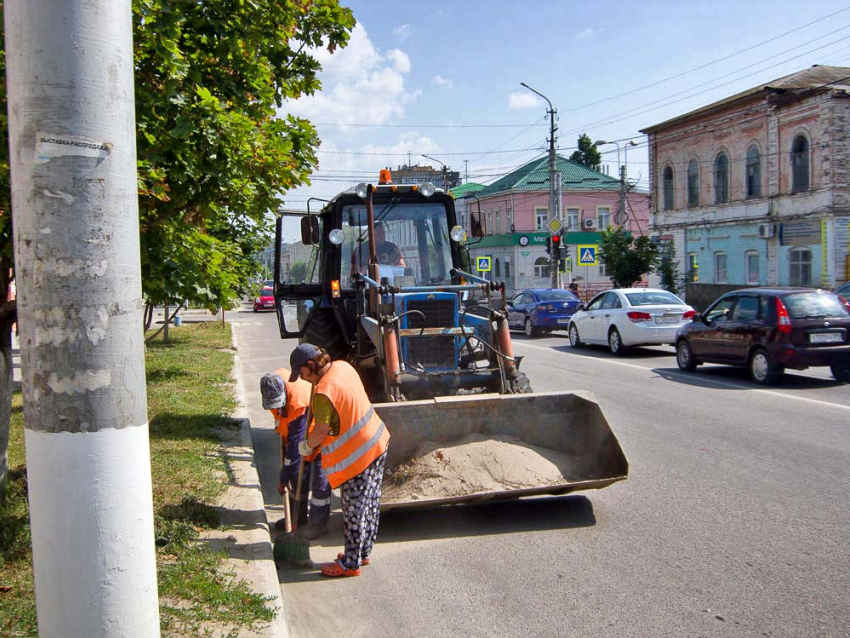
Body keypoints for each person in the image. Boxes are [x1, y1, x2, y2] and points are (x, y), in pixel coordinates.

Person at [289, 343, 390, 577]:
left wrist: (307, 446)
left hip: (359, 456)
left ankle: (350, 565)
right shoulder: (343, 367)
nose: (303, 379)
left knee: (354, 511)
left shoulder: (323, 392)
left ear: (311, 366)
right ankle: (362, 553)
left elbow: (321, 430)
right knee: (370, 505)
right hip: (377, 440)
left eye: (302, 373)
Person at [259, 370, 331, 540]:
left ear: (285, 392)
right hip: (300, 439)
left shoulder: (298, 401)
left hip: (321, 438)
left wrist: (282, 478)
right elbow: (284, 423)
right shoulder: (272, 383)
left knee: (320, 484)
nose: (275, 408)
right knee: (297, 480)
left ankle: (319, 525)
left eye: (278, 404)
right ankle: (296, 518)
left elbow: (295, 449)